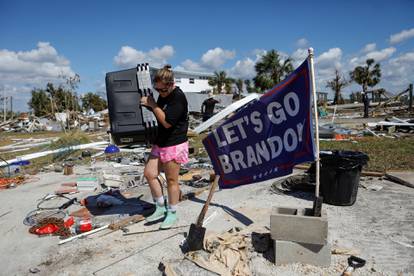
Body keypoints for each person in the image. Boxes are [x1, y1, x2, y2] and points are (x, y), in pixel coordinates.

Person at [140, 64, 189, 229]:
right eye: (157, 89)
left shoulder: (178, 97)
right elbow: (159, 113)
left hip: (174, 143)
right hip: (161, 142)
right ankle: (160, 206)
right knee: (149, 173)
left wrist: (153, 105)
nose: (160, 93)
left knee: (171, 180)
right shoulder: (163, 95)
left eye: (162, 90)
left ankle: (172, 212)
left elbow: (167, 122)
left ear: (171, 84)